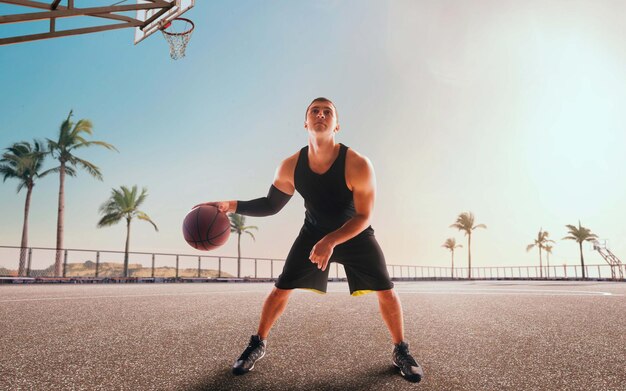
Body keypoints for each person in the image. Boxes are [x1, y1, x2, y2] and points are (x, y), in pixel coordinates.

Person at [195, 97, 423, 383]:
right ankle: (257, 343)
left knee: (386, 290)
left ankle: (401, 350)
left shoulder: (358, 164)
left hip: (353, 232)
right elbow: (270, 204)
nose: (321, 114)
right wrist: (230, 205)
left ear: (337, 125)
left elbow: (364, 216)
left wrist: (331, 240)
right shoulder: (290, 165)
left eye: (328, 112)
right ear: (305, 122)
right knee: (281, 288)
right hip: (313, 232)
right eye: (314, 111)